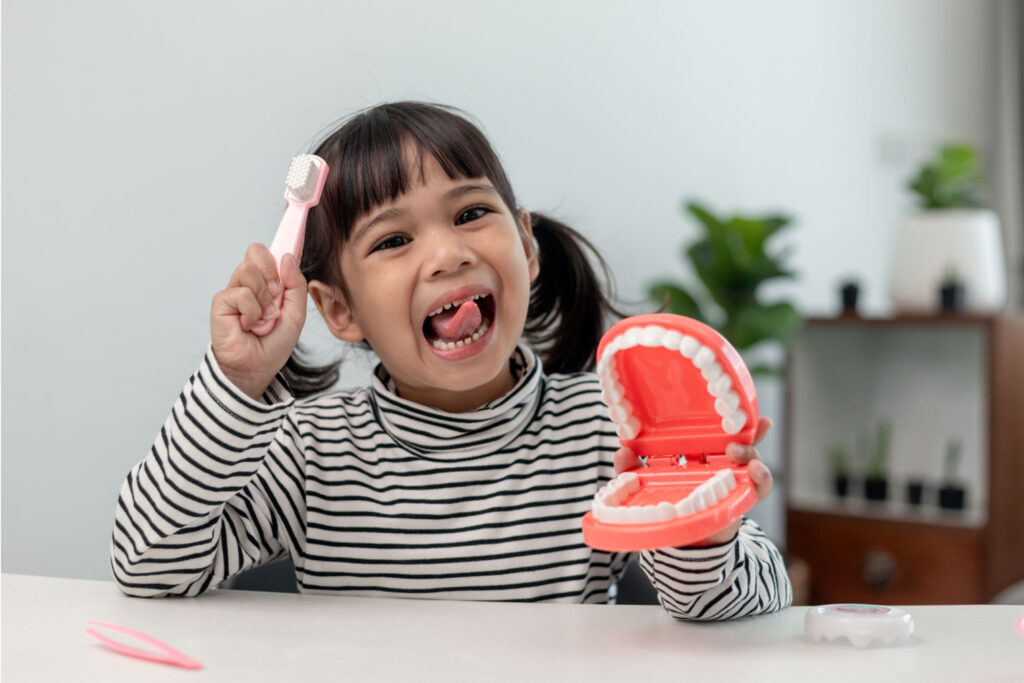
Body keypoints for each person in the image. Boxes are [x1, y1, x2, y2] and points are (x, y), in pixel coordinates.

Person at [110, 101, 791, 620]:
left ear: (526, 247)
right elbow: (147, 564)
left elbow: (748, 600)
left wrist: (700, 534)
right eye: (395, 238)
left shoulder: (605, 430)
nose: (448, 253)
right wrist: (239, 381)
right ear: (339, 308)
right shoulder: (311, 448)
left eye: (469, 214)